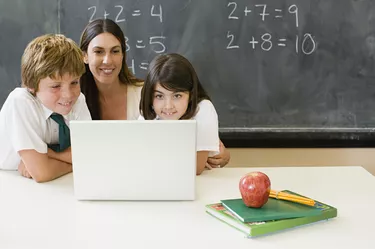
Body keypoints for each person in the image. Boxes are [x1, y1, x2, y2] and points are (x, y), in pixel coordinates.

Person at [79, 18, 229, 167]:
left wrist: (218, 152)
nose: (107, 60)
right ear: (84, 55)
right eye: (98, 51)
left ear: (123, 54)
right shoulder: (74, 98)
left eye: (115, 51)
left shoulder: (147, 94)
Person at [0, 34, 91, 182]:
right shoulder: (21, 102)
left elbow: (90, 154)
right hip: (8, 183)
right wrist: (76, 162)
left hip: (53, 185)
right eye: (56, 86)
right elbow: (42, 173)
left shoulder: (78, 99)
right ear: (32, 87)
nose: (68, 95)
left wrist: (49, 155)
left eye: (74, 82)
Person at [139, 53, 223, 175]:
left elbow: (196, 167)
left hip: (202, 184)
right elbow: (139, 161)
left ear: (191, 94)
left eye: (177, 96)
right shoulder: (149, 114)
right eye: (159, 96)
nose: (168, 106)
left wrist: (155, 159)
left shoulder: (203, 109)